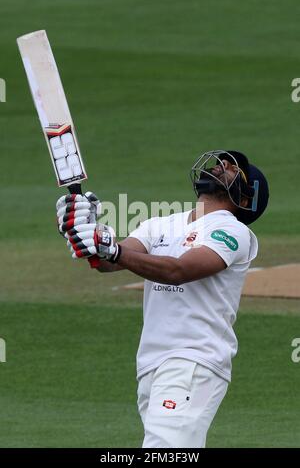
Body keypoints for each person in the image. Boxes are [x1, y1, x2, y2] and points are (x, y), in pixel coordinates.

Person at [56, 149, 269, 448]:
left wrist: (110, 248)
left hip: (194, 359)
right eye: (222, 162)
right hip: (151, 364)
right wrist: (81, 229)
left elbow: (178, 270)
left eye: (233, 168)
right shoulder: (161, 224)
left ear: (246, 198)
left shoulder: (233, 231)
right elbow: (109, 261)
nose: (221, 166)